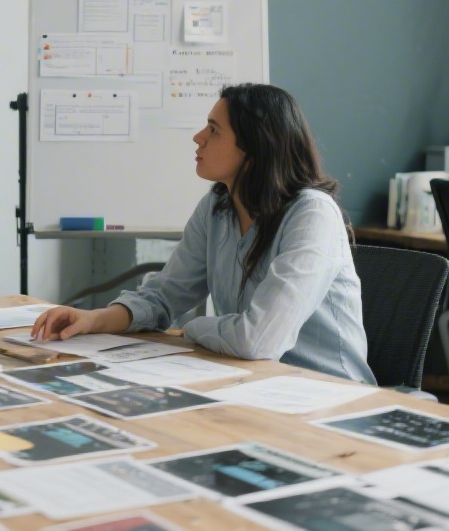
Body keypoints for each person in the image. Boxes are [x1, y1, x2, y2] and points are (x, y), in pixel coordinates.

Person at [32, 84, 375, 384]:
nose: (198, 137)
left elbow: (258, 341)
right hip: (254, 385)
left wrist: (193, 329)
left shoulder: (312, 214)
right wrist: (92, 320)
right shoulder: (217, 206)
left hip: (330, 396)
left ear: (254, 148)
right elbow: (164, 297)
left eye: (214, 130)